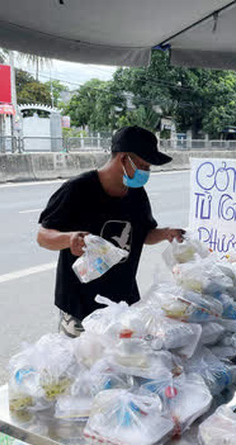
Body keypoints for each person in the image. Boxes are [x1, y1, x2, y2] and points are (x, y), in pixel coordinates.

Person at [37, 126, 184, 337]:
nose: (146, 172)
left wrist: (165, 234)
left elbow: (143, 234)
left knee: (122, 363)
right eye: (143, 165)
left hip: (123, 303)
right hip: (80, 307)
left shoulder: (136, 194)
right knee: (82, 365)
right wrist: (69, 239)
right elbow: (43, 236)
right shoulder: (78, 190)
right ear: (124, 159)